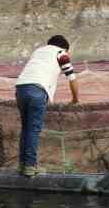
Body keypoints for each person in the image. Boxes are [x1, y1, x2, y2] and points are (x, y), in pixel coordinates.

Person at [13, 35, 78, 177]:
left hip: (20, 89)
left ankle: (22, 165)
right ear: (64, 47)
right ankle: (30, 167)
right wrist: (75, 99)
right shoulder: (61, 53)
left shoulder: (38, 51)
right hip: (37, 90)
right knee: (33, 129)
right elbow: (72, 78)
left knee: (26, 128)